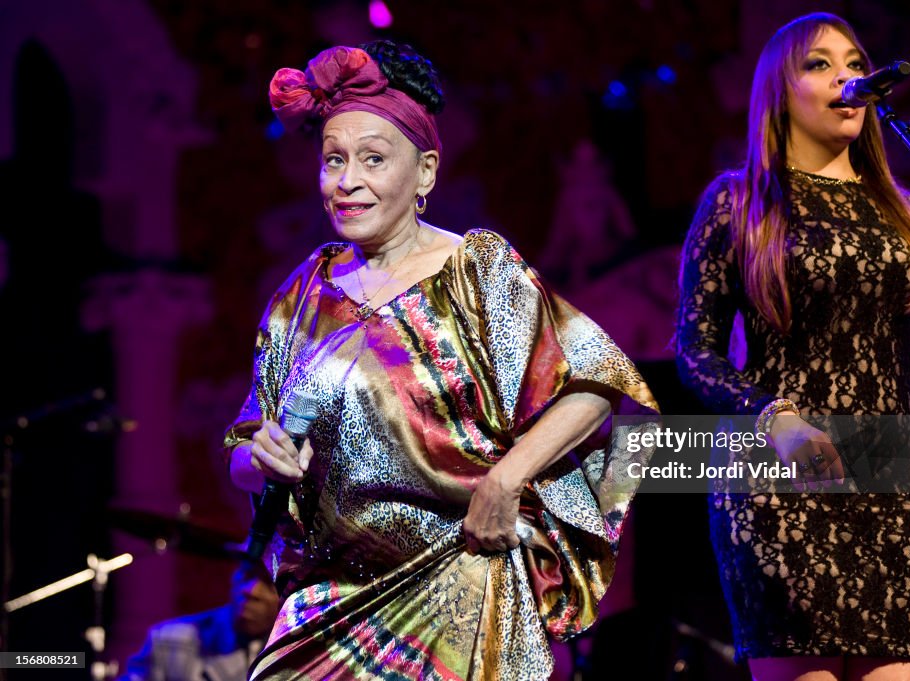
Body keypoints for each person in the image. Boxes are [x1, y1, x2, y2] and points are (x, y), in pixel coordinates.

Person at [223, 41, 658, 680]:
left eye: (373, 159)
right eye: (333, 160)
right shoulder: (304, 290)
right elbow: (243, 450)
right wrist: (259, 457)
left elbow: (592, 386)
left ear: (425, 172)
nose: (347, 181)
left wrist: (507, 480)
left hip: (462, 584)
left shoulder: (475, 270)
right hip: (328, 599)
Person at [674, 13, 910, 681]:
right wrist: (772, 415)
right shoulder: (740, 202)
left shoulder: (901, 210)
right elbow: (695, 351)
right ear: (780, 92)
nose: (846, 75)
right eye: (818, 64)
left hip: (891, 490)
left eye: (853, 60)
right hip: (781, 487)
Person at [120, 562, 278, 681]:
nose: (251, 590)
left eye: (268, 583)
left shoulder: (296, 650)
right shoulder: (168, 640)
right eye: (247, 574)